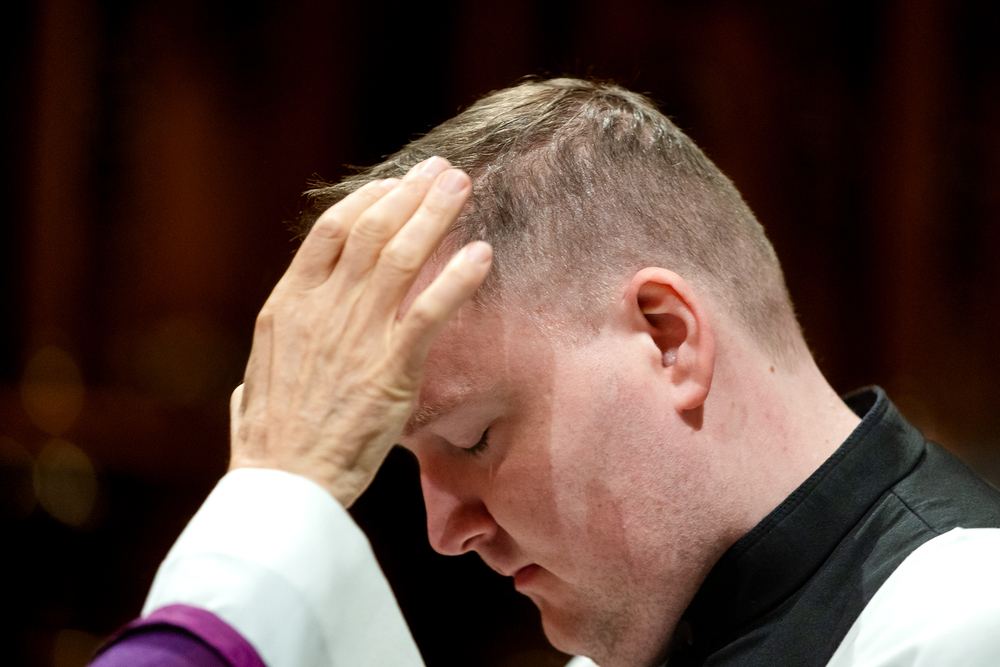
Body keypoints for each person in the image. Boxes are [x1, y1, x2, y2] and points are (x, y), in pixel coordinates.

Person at [92, 78, 1000, 667]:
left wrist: (278, 494)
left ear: (667, 337)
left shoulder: (960, 621)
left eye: (473, 438)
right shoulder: (644, 637)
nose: (445, 531)